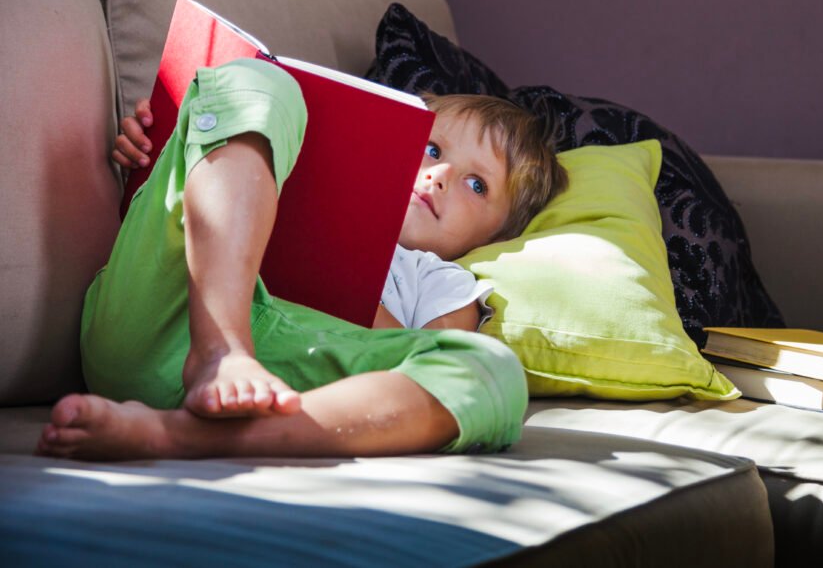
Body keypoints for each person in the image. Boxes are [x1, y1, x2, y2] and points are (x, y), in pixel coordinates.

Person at [35, 58, 567, 461]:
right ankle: (221, 346)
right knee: (252, 81)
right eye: (432, 150)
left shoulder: (442, 280)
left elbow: (421, 350)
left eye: (478, 184)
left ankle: (175, 436)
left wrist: (354, 279)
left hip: (291, 379)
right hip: (157, 320)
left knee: (492, 371)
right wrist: (172, 143)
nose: (441, 176)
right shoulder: (286, 169)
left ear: (496, 233)